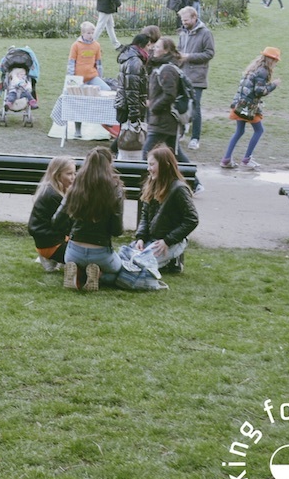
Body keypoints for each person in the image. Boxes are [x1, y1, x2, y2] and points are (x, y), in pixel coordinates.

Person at [53, 147, 124, 291]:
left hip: (74, 251)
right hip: (101, 252)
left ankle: (77, 272)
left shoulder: (76, 187)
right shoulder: (115, 190)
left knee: (77, 260)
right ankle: (97, 275)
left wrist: (71, 229)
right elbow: (117, 231)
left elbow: (56, 221)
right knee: (118, 271)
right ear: (109, 165)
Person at [142, 36, 202, 194]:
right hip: (161, 120)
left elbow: (169, 94)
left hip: (165, 120)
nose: (154, 49)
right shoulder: (160, 67)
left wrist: (154, 106)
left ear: (166, 50)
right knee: (174, 154)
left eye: (158, 47)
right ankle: (194, 183)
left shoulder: (167, 69)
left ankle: (145, 185)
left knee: (147, 153)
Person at [134, 145, 199, 274]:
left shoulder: (179, 189)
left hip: (168, 241)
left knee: (139, 266)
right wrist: (140, 237)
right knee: (126, 257)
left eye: (152, 165)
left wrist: (168, 241)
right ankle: (167, 262)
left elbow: (192, 219)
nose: (149, 169)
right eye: (148, 164)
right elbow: (145, 214)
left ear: (165, 165)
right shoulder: (152, 183)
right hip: (152, 238)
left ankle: (173, 260)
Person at [221, 47, 280, 170]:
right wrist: (273, 85)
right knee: (259, 131)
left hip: (239, 104)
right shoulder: (263, 71)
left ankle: (226, 159)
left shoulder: (253, 68)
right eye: (275, 61)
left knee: (239, 131)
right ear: (271, 59)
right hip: (249, 107)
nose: (276, 63)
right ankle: (247, 159)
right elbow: (259, 91)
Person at [28, 156, 75, 272]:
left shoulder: (53, 190)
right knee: (84, 256)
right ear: (57, 175)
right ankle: (50, 257)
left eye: (74, 173)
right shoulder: (54, 195)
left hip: (50, 240)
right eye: (69, 174)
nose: (73, 178)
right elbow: (65, 224)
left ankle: (52, 258)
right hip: (51, 244)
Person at [177, 6, 215, 150]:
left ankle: (195, 138)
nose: (184, 22)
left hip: (197, 77)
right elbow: (179, 49)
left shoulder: (205, 33)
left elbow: (209, 53)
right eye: (182, 19)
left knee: (195, 107)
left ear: (194, 18)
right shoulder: (183, 33)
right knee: (180, 105)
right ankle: (181, 132)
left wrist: (189, 57)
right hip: (182, 75)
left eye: (186, 19)